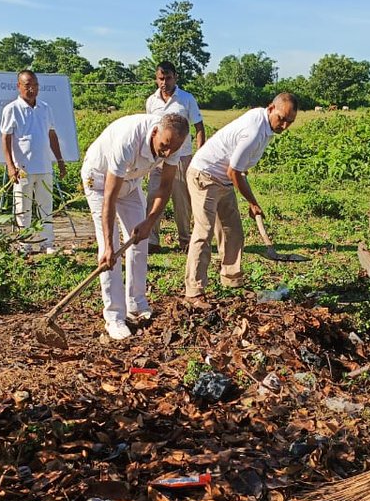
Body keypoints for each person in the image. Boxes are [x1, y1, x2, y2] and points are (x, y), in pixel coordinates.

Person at [81, 113, 191, 340]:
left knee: (140, 244)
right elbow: (109, 198)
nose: (167, 153)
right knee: (109, 250)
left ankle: (136, 302)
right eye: (164, 146)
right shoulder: (128, 140)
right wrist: (110, 247)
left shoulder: (174, 142)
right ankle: (113, 316)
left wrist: (149, 222)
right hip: (101, 181)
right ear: (154, 133)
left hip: (130, 183)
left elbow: (165, 186)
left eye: (173, 148)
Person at [183, 93, 298, 307]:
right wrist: (253, 202)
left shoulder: (265, 125)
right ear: (271, 108)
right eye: (281, 118)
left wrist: (248, 198)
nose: (283, 125)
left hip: (224, 181)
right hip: (205, 176)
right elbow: (233, 171)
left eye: (289, 122)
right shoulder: (254, 131)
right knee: (204, 232)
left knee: (233, 231)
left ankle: (231, 280)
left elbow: (238, 169)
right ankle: (194, 291)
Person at [1, 70, 67, 254]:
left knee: (46, 206)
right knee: (23, 207)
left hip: (44, 166)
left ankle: (47, 243)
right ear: (18, 86)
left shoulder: (45, 107)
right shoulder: (11, 109)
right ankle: (25, 244)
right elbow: (5, 138)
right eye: (27, 85)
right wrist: (10, 166)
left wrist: (60, 160)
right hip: (23, 168)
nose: (32, 89)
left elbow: (51, 134)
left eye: (35, 85)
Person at [144, 62, 206, 251]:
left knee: (182, 200)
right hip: (157, 158)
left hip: (182, 156)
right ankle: (152, 240)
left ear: (175, 77)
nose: (164, 82)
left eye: (168, 78)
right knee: (153, 196)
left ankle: (185, 240)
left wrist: (199, 157)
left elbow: (199, 128)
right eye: (161, 78)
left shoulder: (186, 99)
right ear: (156, 78)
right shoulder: (151, 101)